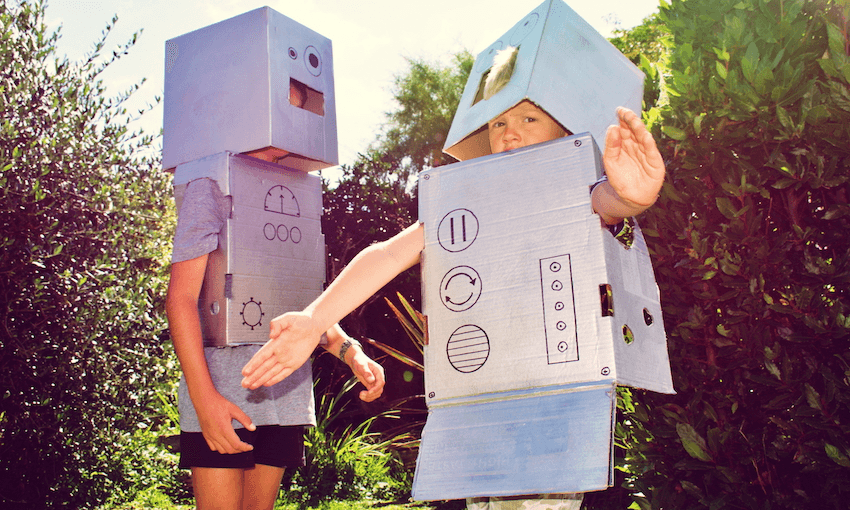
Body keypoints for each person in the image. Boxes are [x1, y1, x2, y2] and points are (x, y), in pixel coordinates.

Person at [241, 55, 664, 510]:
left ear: (564, 132)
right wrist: (313, 320)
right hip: (480, 403)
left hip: (557, 408)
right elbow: (388, 253)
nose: (510, 132)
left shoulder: (575, 192)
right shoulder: (469, 205)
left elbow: (608, 202)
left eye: (528, 117)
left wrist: (633, 194)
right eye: (498, 122)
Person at [166, 146, 386, 510]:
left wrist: (351, 352)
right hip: (221, 391)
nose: (279, 150)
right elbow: (180, 300)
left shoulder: (296, 193)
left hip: (284, 397)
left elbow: (303, 305)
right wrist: (205, 401)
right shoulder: (210, 186)